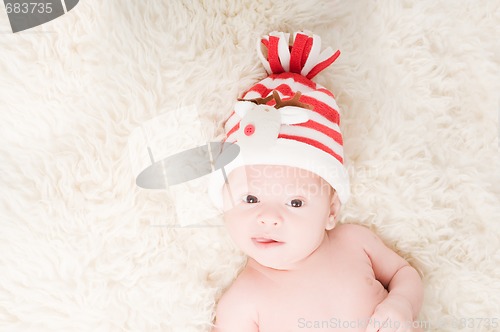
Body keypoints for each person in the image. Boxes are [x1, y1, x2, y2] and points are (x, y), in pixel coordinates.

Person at [209, 31, 424, 332]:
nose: (269, 218)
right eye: (250, 199)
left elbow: (405, 273)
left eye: (295, 202)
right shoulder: (241, 305)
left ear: (331, 211)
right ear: (223, 201)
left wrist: (402, 304)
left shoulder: (354, 242)